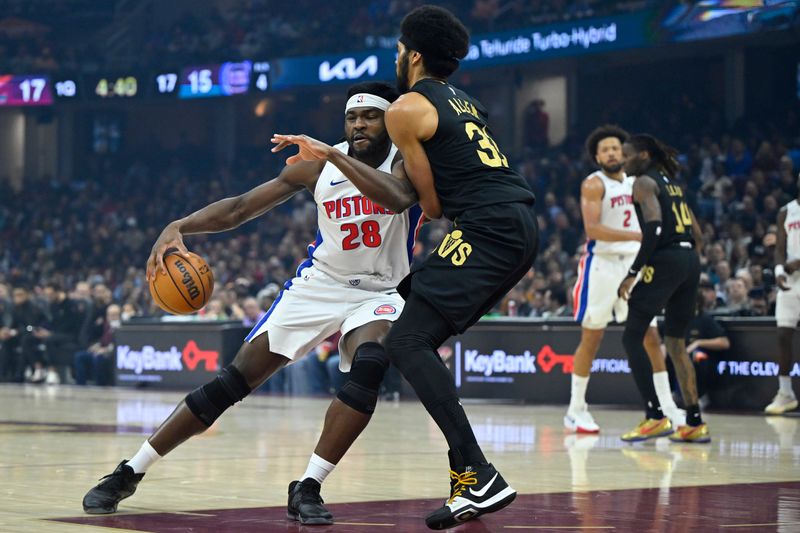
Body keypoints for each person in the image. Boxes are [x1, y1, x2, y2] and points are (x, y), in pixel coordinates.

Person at [82, 82, 424, 526]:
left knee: (371, 363)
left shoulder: (406, 161)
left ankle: (308, 485)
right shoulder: (315, 168)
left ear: (390, 121)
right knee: (233, 381)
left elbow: (397, 198)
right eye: (351, 118)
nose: (359, 125)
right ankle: (130, 470)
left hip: (380, 290)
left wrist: (334, 156)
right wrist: (179, 225)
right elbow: (240, 208)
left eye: (370, 117)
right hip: (320, 284)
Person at [272, 6, 537, 529]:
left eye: (398, 49)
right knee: (412, 317)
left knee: (406, 340)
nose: (396, 57)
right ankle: (468, 478)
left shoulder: (406, 107)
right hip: (516, 224)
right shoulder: (467, 101)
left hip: (485, 227)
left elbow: (429, 207)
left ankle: (479, 472)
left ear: (413, 55)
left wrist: (334, 156)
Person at [567, 126, 685, 434]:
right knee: (592, 338)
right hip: (603, 266)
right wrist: (637, 234)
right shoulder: (594, 183)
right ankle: (576, 409)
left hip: (635, 264)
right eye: (604, 149)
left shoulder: (639, 183)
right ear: (596, 156)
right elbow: (593, 230)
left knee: (651, 337)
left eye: (615, 148)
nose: (611, 153)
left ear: (625, 152)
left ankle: (666, 406)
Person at [616, 133, 710, 443]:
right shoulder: (672, 184)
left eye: (627, 155)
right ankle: (694, 422)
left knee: (632, 335)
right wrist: (686, 263)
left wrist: (633, 272)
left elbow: (654, 226)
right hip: (689, 260)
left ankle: (655, 416)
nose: (622, 160)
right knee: (675, 343)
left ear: (643, 155)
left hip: (668, 259)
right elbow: (698, 232)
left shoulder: (643, 182)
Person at [767, 172, 800, 414]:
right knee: (782, 335)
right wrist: (779, 270)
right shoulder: (786, 211)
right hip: (790, 280)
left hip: (795, 269)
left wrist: (797, 263)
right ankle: (785, 393)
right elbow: (780, 247)